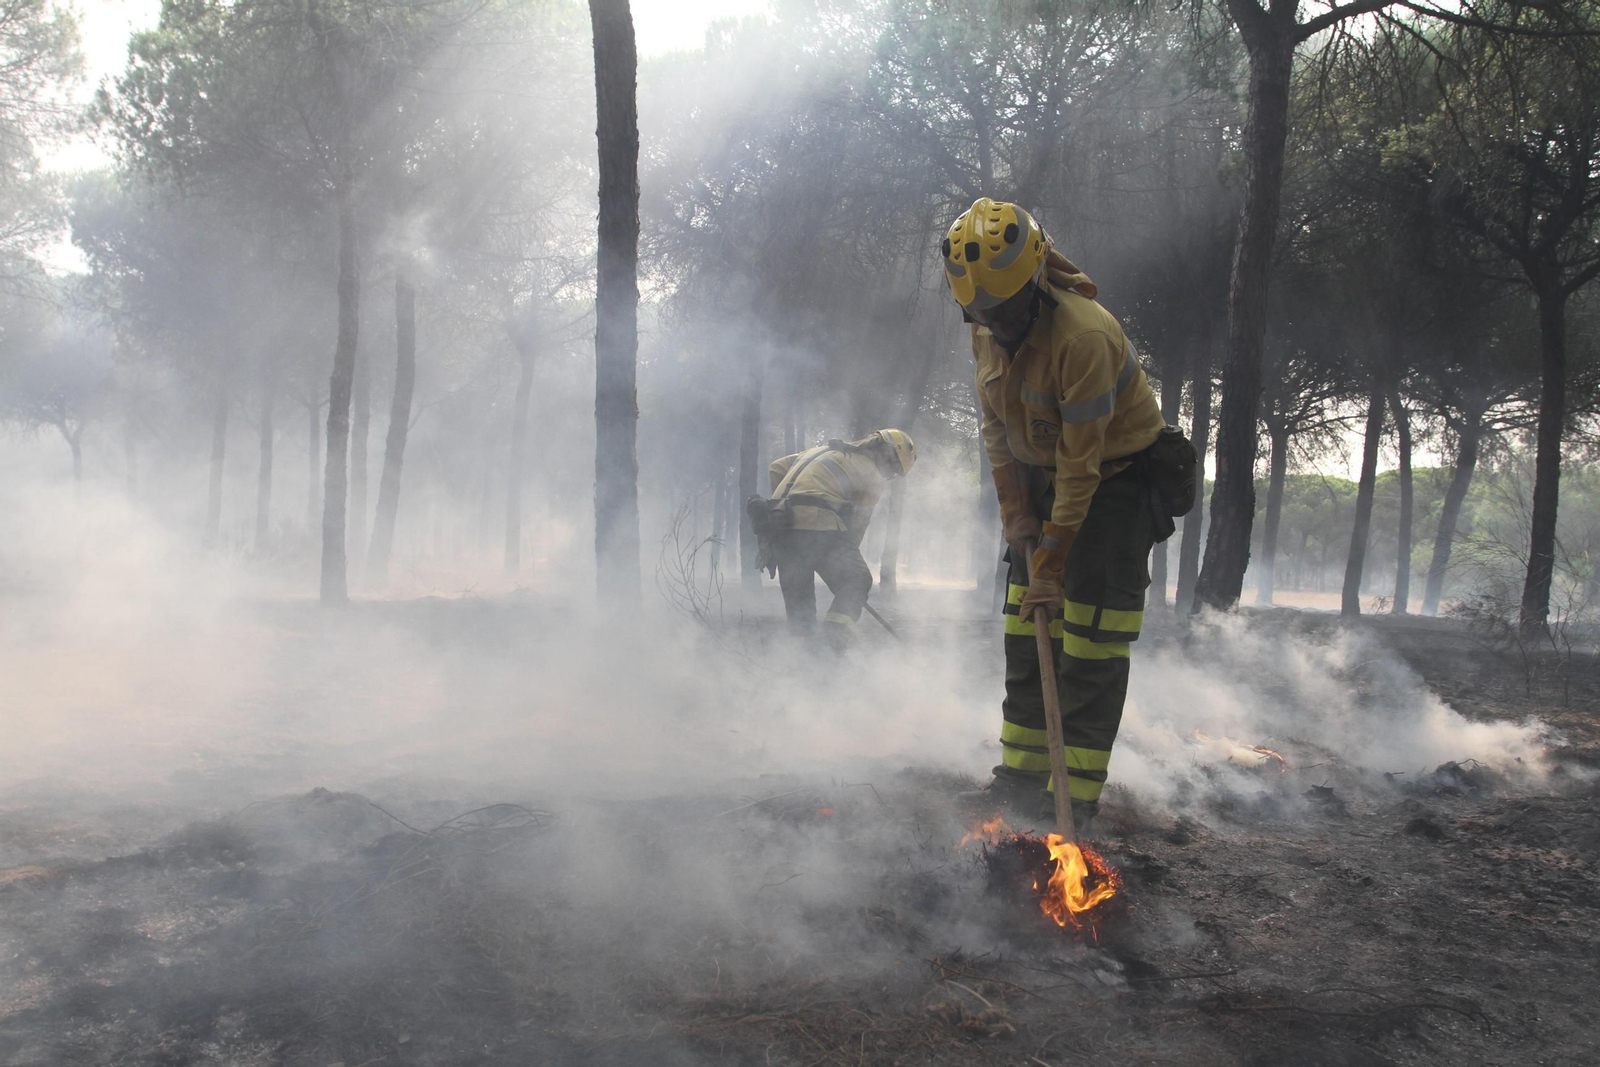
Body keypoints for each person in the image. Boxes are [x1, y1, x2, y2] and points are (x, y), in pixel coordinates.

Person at [943, 198, 1165, 833]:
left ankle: (1074, 803)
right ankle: (1019, 778)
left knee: (1090, 642)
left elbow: (1083, 464)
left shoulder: (1083, 336)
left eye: (1008, 310)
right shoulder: (985, 322)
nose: (997, 325)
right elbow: (996, 431)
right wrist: (1017, 524)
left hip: (1114, 488)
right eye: (981, 313)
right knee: (1026, 630)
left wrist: (1053, 556)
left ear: (1036, 280)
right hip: (1042, 481)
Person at [759, 429, 915, 650]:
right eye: (893, 467)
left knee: (799, 598)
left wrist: (790, 506)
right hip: (820, 525)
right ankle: (831, 644)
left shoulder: (818, 451)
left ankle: (802, 659)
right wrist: (845, 560)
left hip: (779, 525)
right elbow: (859, 524)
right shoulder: (871, 475)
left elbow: (776, 467)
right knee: (857, 581)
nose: (889, 473)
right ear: (886, 452)